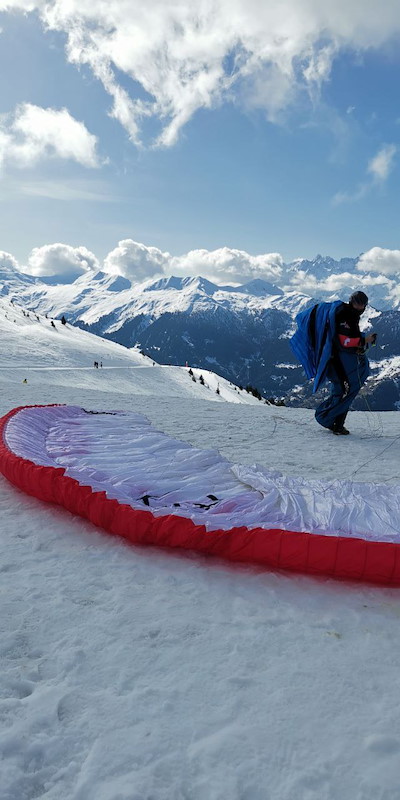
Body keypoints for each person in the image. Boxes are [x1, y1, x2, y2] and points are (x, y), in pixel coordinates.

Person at [314, 291, 376, 435]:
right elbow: (345, 341)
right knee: (345, 391)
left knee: (345, 391)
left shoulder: (349, 315)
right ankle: (327, 418)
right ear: (352, 303)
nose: (360, 308)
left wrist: (361, 343)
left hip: (340, 360)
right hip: (339, 361)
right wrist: (364, 341)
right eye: (358, 304)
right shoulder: (346, 316)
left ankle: (337, 424)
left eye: (362, 305)